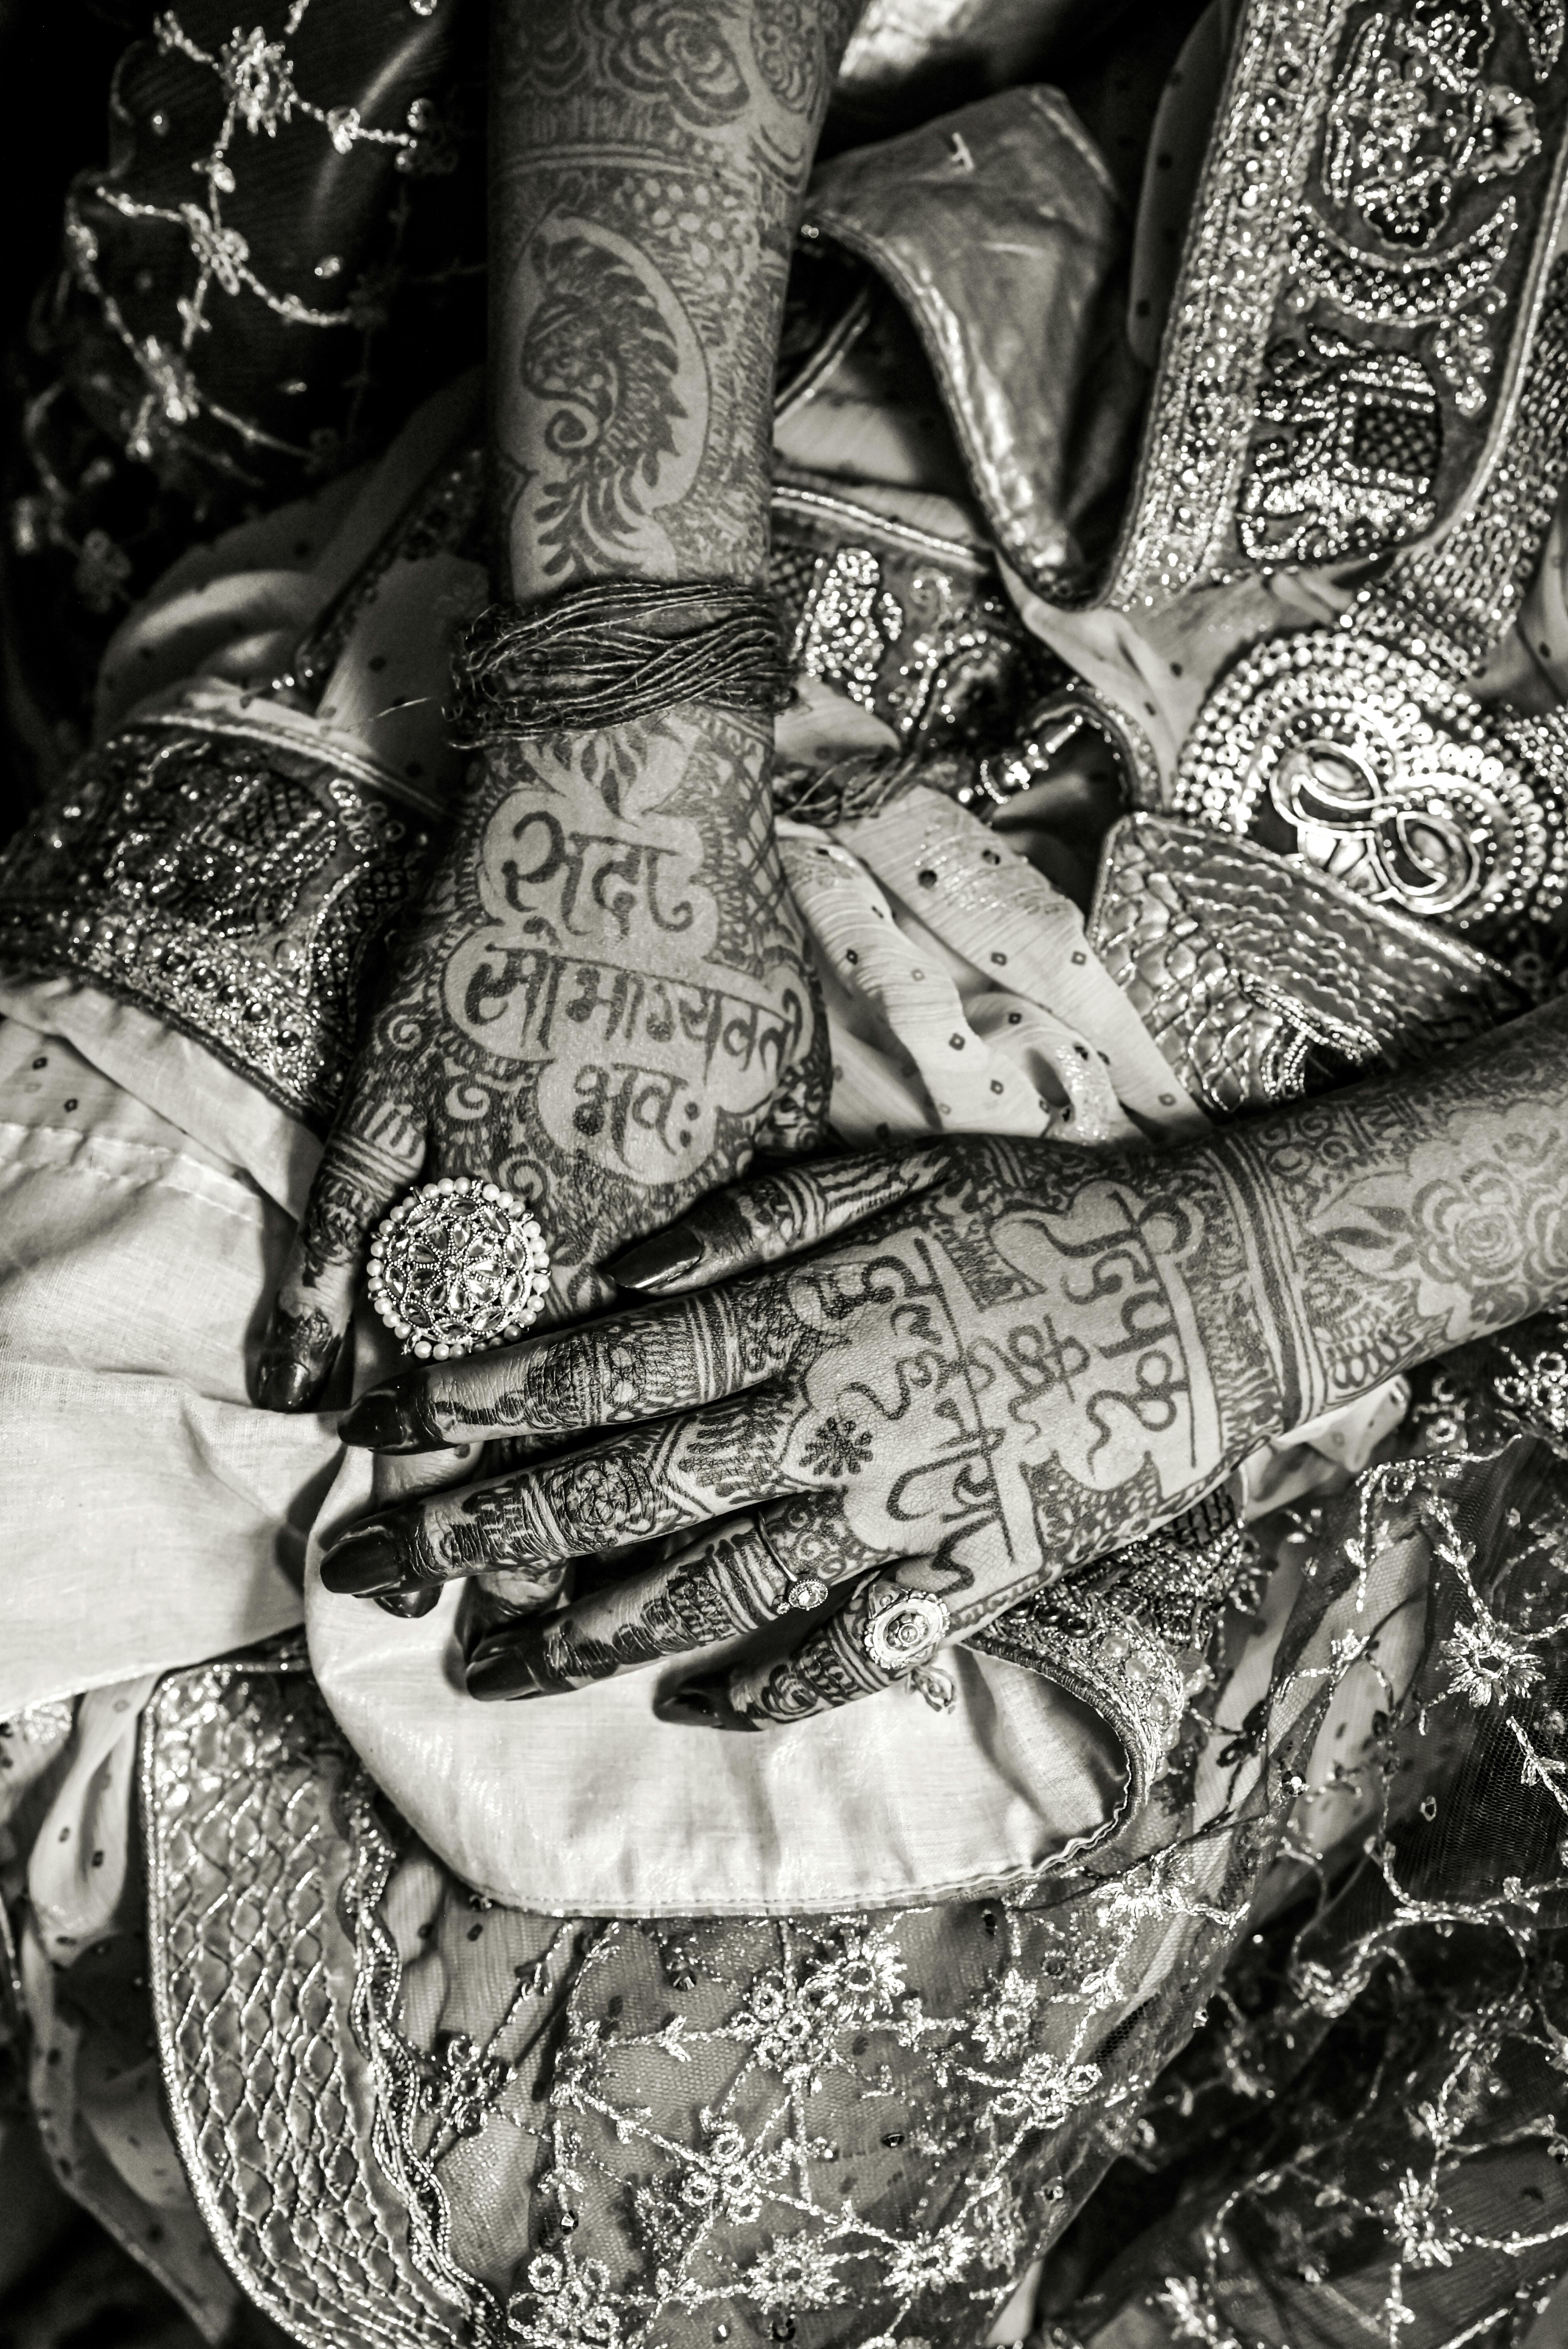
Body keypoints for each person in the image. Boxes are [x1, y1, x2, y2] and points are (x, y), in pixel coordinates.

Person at [5, 2, 1568, 2344]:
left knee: (631, 2189)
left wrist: (1246, 1281)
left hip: (1461, 1176)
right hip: (931, 544)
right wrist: (624, 714)